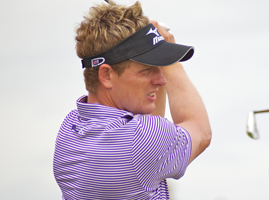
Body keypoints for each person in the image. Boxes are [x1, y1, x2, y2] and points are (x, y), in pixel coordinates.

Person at [53, 1, 212, 199]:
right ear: (107, 76)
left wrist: (155, 54)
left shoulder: (69, 130)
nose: (162, 80)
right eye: (146, 71)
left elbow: (147, 132)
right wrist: (172, 64)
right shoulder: (141, 139)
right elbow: (201, 131)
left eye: (159, 69)